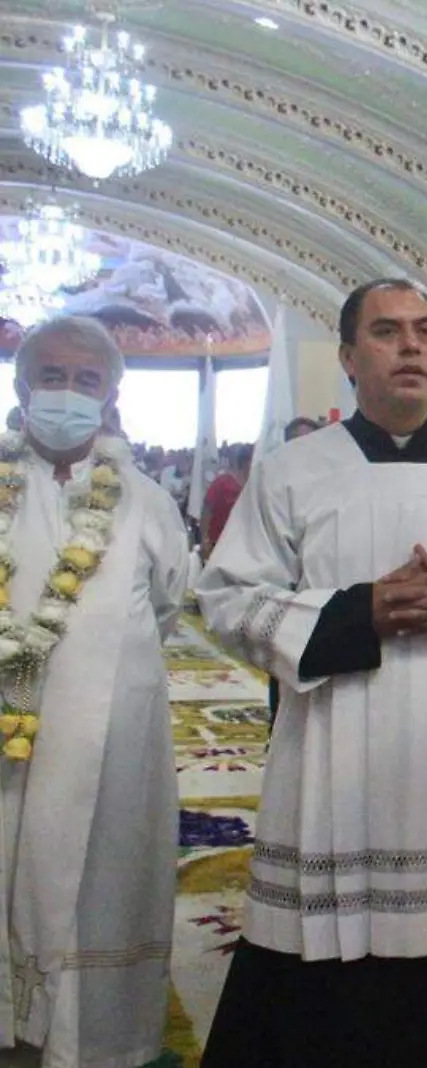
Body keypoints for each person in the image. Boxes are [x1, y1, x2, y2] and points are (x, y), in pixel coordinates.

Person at [196, 279, 427, 1068]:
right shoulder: (292, 472)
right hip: (333, 754)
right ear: (351, 358)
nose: (412, 346)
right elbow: (227, 598)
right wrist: (359, 615)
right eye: (388, 332)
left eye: (425, 331)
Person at [0, 316, 190, 1067]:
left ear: (111, 395)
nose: (67, 394)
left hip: (110, 740)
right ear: (19, 385)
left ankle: (95, 1041)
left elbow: (171, 604)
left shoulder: (144, 501)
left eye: (85, 381)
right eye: (51, 376)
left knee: (99, 884)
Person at [200, 442, 252, 559]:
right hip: (219, 543)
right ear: (245, 462)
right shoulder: (222, 482)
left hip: (243, 544)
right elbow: (207, 509)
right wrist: (204, 538)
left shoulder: (254, 484)